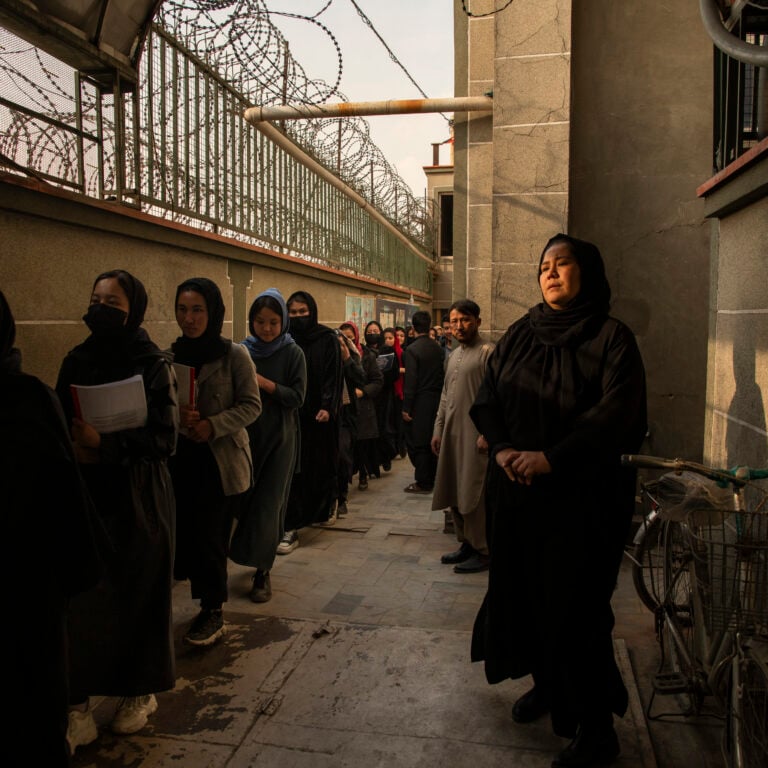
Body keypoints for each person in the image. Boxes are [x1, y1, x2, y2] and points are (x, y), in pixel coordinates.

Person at [469, 234, 647, 768]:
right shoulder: (522, 333)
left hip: (581, 504)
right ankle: (546, 687)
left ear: (585, 271)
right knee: (523, 597)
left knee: (577, 610)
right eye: (543, 265)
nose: (550, 273)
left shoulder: (612, 338)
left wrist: (553, 457)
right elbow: (489, 399)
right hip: (518, 496)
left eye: (561, 263)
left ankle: (596, 729)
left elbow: (618, 416)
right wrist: (502, 450)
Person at [54, 270, 178, 747]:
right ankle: (77, 704)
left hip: (138, 494)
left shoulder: (150, 363)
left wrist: (104, 444)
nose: (101, 308)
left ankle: (137, 691)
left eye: (113, 300)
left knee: (139, 592)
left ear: (136, 308)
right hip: (87, 494)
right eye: (95, 298)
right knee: (84, 598)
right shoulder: (76, 359)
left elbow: (164, 439)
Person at [2, 290, 104, 765]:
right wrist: (79, 570)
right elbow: (63, 495)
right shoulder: (27, 398)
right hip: (28, 590)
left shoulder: (28, 400)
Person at [169, 277, 261, 645]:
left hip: (220, 463)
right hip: (181, 460)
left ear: (213, 312)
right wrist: (179, 419)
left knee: (211, 538)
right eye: (182, 309)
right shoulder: (168, 355)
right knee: (186, 535)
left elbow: (251, 405)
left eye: (197, 310)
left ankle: (213, 610)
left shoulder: (234, 354)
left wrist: (213, 424)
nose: (188, 318)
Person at [230, 288, 306, 603]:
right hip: (246, 437)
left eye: (274, 322)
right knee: (243, 503)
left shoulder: (292, 353)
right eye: (260, 322)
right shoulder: (241, 352)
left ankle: (263, 571)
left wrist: (265, 384)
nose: (267, 329)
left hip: (280, 438)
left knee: (268, 506)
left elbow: (297, 397)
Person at [431, 299, 494, 574]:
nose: (459, 326)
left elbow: (497, 396)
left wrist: (488, 433)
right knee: (454, 488)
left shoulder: (488, 352)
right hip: (452, 435)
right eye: (454, 321)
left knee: (472, 491)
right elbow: (445, 395)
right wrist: (438, 428)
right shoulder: (453, 355)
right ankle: (466, 542)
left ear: (477, 322)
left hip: (475, 437)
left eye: (465, 320)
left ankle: (484, 550)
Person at [278, 290, 343, 553]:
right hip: (292, 414)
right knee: (294, 471)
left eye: (302, 312)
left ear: (312, 311)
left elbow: (333, 374)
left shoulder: (326, 338)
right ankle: (292, 524)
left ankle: (325, 505)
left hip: (318, 416)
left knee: (318, 466)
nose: (298, 317)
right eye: (292, 313)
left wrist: (328, 406)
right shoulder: (285, 340)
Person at [402, 310, 445, 494]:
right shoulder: (437, 347)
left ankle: (423, 481)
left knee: (418, 441)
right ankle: (433, 476)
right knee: (432, 439)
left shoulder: (412, 350)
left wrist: (406, 407)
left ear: (413, 329)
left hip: (419, 401)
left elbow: (411, 380)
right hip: (436, 399)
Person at [336, 323, 368, 514]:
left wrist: (346, 358)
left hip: (346, 416)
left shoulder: (353, 359)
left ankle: (341, 497)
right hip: (328, 415)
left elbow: (361, 378)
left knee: (343, 455)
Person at [363, 319, 399, 472]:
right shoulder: (363, 351)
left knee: (385, 427)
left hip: (385, 394)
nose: (372, 334)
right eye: (369, 332)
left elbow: (395, 373)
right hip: (370, 395)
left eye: (376, 331)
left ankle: (386, 456)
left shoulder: (387, 350)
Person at [383, 326, 406, 459]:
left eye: (391, 338)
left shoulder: (401, 352)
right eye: (386, 338)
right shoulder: (382, 352)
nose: (388, 341)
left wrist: (399, 370)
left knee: (398, 420)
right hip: (387, 391)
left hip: (399, 390)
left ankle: (400, 446)